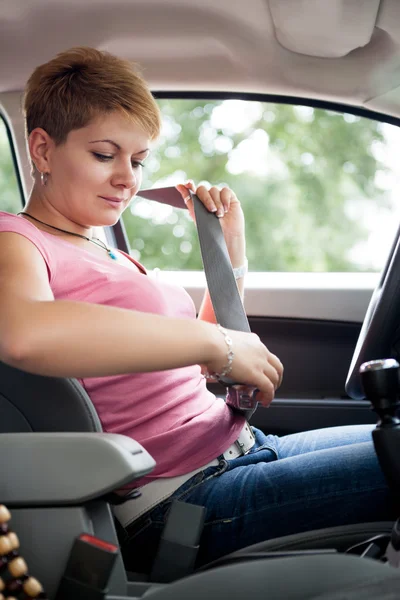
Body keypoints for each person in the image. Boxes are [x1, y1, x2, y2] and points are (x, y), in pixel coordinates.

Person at [0, 47, 394, 572]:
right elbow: (23, 333)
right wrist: (217, 343)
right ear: (43, 150)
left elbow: (195, 368)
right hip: (182, 502)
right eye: (104, 154)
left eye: (138, 160)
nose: (128, 178)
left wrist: (230, 252)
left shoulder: (108, 252)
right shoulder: (16, 239)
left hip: (245, 449)